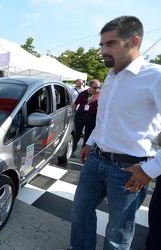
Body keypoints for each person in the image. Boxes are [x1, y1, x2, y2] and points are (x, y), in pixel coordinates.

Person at [70, 16, 161, 250]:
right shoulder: (110, 77)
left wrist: (150, 170)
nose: (102, 50)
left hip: (130, 169)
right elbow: (104, 119)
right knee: (80, 213)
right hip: (96, 160)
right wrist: (90, 142)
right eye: (102, 45)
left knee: (117, 232)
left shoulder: (155, 77)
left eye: (110, 43)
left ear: (134, 41)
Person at [71, 79, 101, 154]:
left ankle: (83, 152)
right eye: (94, 88)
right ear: (90, 86)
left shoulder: (100, 94)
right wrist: (71, 115)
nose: (96, 89)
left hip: (92, 117)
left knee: (88, 135)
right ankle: (72, 150)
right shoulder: (82, 93)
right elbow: (75, 104)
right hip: (81, 115)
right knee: (76, 133)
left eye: (98, 88)